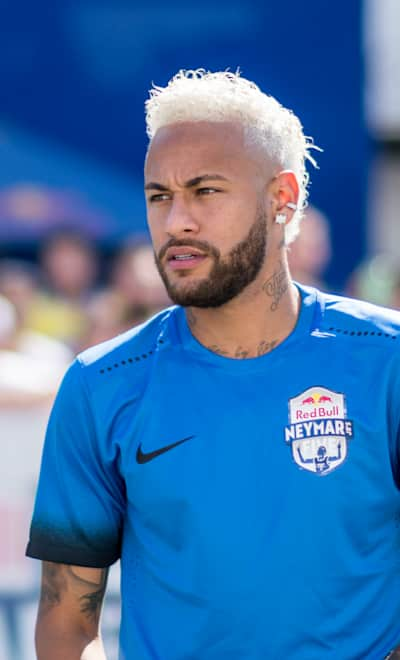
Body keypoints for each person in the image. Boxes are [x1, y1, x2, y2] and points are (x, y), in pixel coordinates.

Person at [26, 69, 400, 660]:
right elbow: (67, 625)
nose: (177, 222)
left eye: (205, 191)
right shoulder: (100, 385)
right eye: (159, 196)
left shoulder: (388, 362)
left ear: (283, 197)